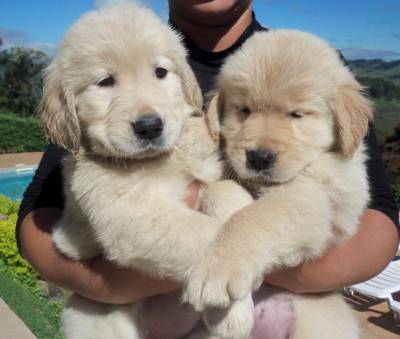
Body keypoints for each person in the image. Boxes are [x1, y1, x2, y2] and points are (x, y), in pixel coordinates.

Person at [17, 0, 399, 337]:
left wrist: (252, 260)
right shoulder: (108, 63)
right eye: (242, 111)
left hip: (281, 291)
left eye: (161, 72)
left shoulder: (310, 60)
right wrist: (102, 285)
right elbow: (38, 209)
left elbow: (379, 210)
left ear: (185, 83)